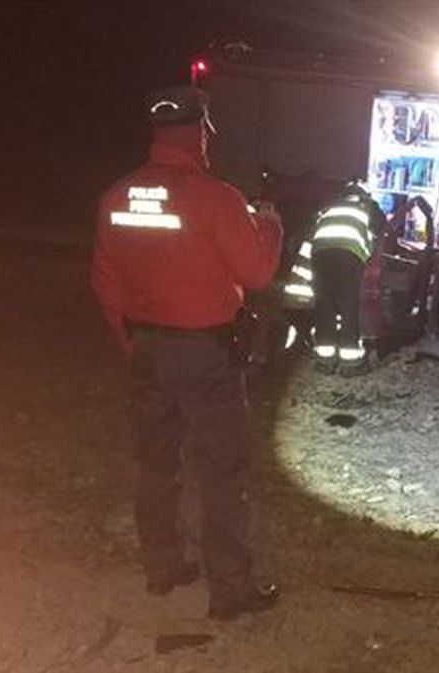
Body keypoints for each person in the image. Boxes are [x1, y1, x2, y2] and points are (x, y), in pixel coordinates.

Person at [91, 85, 283, 622]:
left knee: (156, 465)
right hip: (206, 358)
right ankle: (231, 591)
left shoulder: (117, 196)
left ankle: (164, 567)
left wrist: (131, 341)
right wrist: (269, 223)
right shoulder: (216, 197)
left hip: (148, 349)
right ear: (200, 133)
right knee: (222, 470)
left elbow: (105, 283)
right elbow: (257, 273)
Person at [308, 182, 385, 371]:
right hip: (349, 254)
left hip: (320, 253)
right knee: (350, 305)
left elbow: (313, 232)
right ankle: (351, 363)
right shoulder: (368, 205)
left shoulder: (332, 206)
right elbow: (382, 228)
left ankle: (325, 361)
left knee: (325, 304)